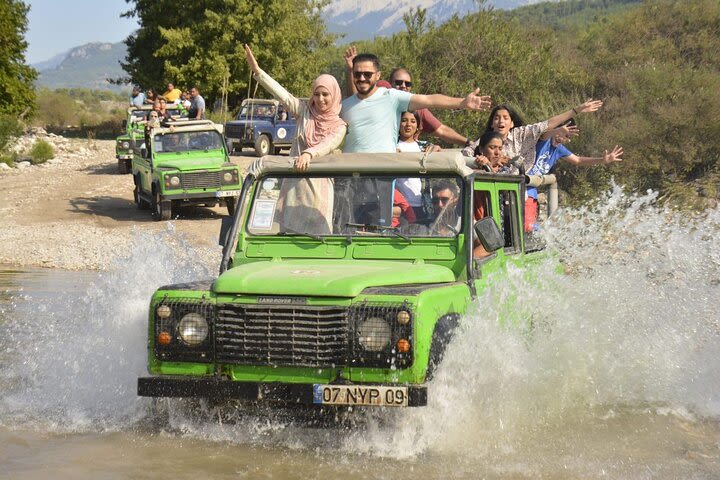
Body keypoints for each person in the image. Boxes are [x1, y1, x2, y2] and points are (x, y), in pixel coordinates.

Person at [244, 44, 347, 234]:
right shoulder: (304, 112)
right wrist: (258, 72)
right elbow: (283, 95)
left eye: (326, 94)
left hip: (319, 186)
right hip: (294, 183)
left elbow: (329, 143)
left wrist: (308, 154)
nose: (321, 99)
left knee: (318, 237)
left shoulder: (339, 125)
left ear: (334, 95)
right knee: (289, 235)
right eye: (317, 94)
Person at [341, 52, 491, 153]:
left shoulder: (391, 97)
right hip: (349, 179)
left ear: (378, 75)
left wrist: (462, 102)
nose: (362, 78)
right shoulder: (345, 105)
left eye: (367, 74)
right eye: (357, 74)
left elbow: (430, 99)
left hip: (381, 177)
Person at [524, 122, 624, 231]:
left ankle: (547, 235)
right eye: (563, 134)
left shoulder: (559, 149)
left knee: (529, 227)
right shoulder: (544, 140)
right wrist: (559, 129)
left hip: (530, 190)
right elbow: (544, 133)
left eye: (568, 137)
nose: (562, 139)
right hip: (520, 183)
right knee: (521, 224)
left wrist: (602, 160)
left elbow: (578, 160)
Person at [463, 100, 604, 170]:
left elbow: (545, 125)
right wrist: (479, 161)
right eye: (496, 118)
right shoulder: (485, 140)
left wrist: (575, 110)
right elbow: (465, 155)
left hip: (513, 191)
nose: (501, 121)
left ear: (512, 123)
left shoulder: (521, 135)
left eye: (505, 118)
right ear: (492, 123)